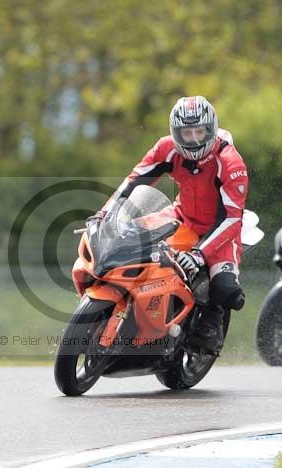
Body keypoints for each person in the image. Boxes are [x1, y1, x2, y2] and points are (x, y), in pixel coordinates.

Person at [96, 96, 249, 353]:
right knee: (128, 238)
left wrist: (200, 255)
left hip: (219, 232)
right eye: (185, 133)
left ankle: (210, 327)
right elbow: (135, 180)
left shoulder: (231, 163)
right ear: (174, 132)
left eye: (199, 132)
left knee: (225, 289)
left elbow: (233, 218)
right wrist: (104, 214)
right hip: (180, 216)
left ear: (211, 129)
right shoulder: (166, 148)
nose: (192, 139)